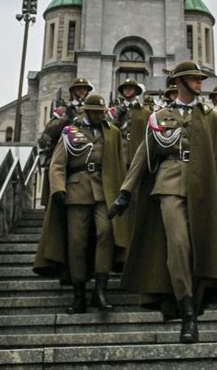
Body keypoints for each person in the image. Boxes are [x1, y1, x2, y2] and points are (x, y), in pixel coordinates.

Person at [108, 60, 217, 344]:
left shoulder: (212, 118)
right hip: (170, 183)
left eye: (200, 78)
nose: (200, 83)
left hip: (205, 188)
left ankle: (198, 298)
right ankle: (187, 312)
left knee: (202, 247)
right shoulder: (159, 116)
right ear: (179, 82)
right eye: (194, 78)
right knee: (178, 245)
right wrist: (125, 191)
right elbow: (144, 153)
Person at [33, 93, 129, 314]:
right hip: (76, 191)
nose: (100, 116)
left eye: (102, 112)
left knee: (105, 232)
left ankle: (100, 290)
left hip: (104, 191)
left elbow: (118, 164)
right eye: (96, 112)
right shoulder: (70, 132)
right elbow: (57, 163)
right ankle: (79, 294)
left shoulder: (112, 132)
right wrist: (58, 189)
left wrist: (122, 191)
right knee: (77, 241)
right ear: (87, 111)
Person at [37, 77, 93, 206]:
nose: (82, 91)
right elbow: (49, 131)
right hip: (63, 151)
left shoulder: (90, 109)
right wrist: (66, 117)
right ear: (73, 91)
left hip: (84, 153)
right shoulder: (63, 109)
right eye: (79, 88)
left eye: (84, 88)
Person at [112, 78, 151, 167]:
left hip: (138, 153)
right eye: (125, 88)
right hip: (120, 153)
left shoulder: (145, 112)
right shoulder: (115, 111)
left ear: (136, 91)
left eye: (131, 88)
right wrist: (116, 118)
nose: (127, 90)